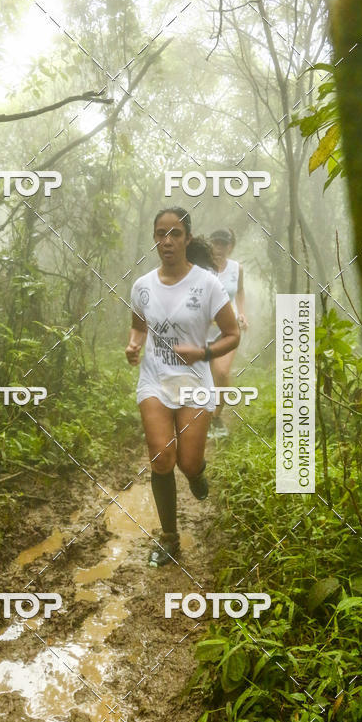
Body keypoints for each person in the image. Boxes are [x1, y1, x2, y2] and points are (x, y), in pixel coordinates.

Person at [126, 208, 240, 567]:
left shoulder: (208, 285)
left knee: (188, 463)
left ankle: (197, 471)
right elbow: (139, 326)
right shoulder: (143, 286)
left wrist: (203, 352)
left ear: (188, 238)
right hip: (155, 381)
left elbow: (232, 334)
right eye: (161, 234)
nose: (168, 241)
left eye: (175, 234)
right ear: (155, 239)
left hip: (194, 383)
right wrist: (134, 345)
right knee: (162, 458)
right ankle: (169, 538)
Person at [205, 228, 248, 437]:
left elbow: (239, 292)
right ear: (210, 244)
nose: (219, 248)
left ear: (230, 246)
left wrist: (242, 314)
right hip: (202, 330)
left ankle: (216, 418)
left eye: (223, 244)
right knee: (205, 374)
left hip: (228, 329)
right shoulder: (201, 267)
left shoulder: (236, 268)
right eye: (216, 243)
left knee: (221, 372)